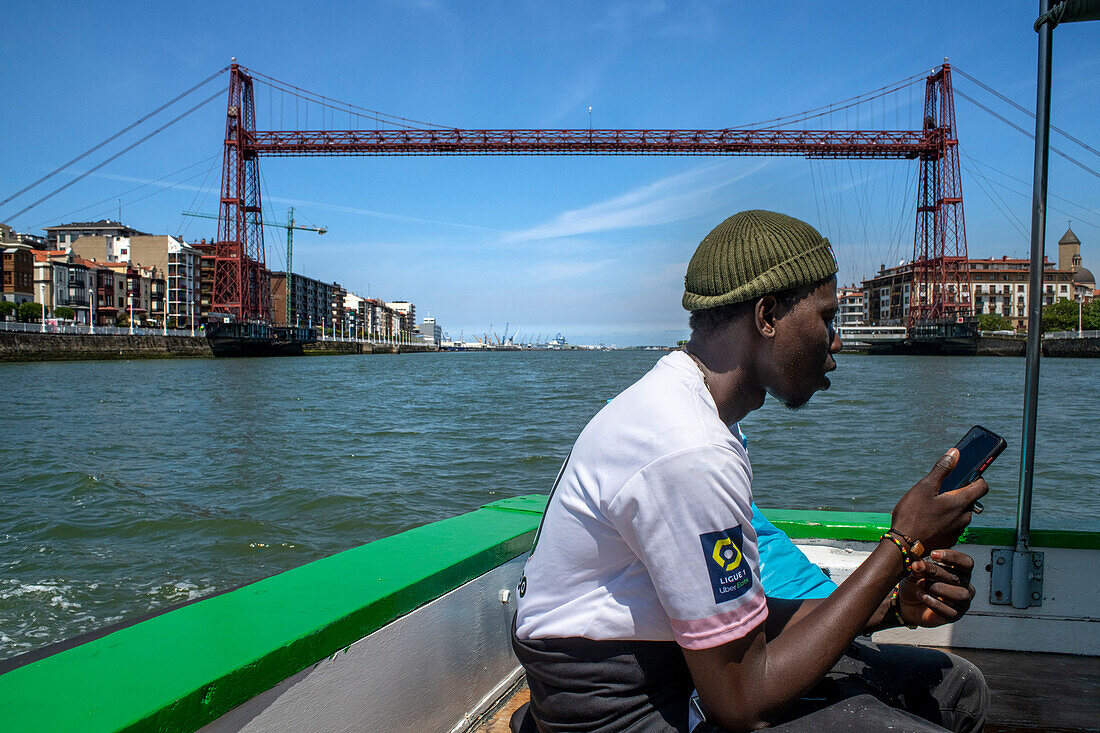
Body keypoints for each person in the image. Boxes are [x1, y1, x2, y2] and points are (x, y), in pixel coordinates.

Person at [511, 210, 990, 733]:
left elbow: (741, 626)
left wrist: (893, 604)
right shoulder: (689, 449)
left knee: (955, 686)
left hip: (669, 664)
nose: (836, 343)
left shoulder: (694, 413)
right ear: (766, 316)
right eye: (827, 318)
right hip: (621, 709)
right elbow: (741, 703)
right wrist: (901, 545)